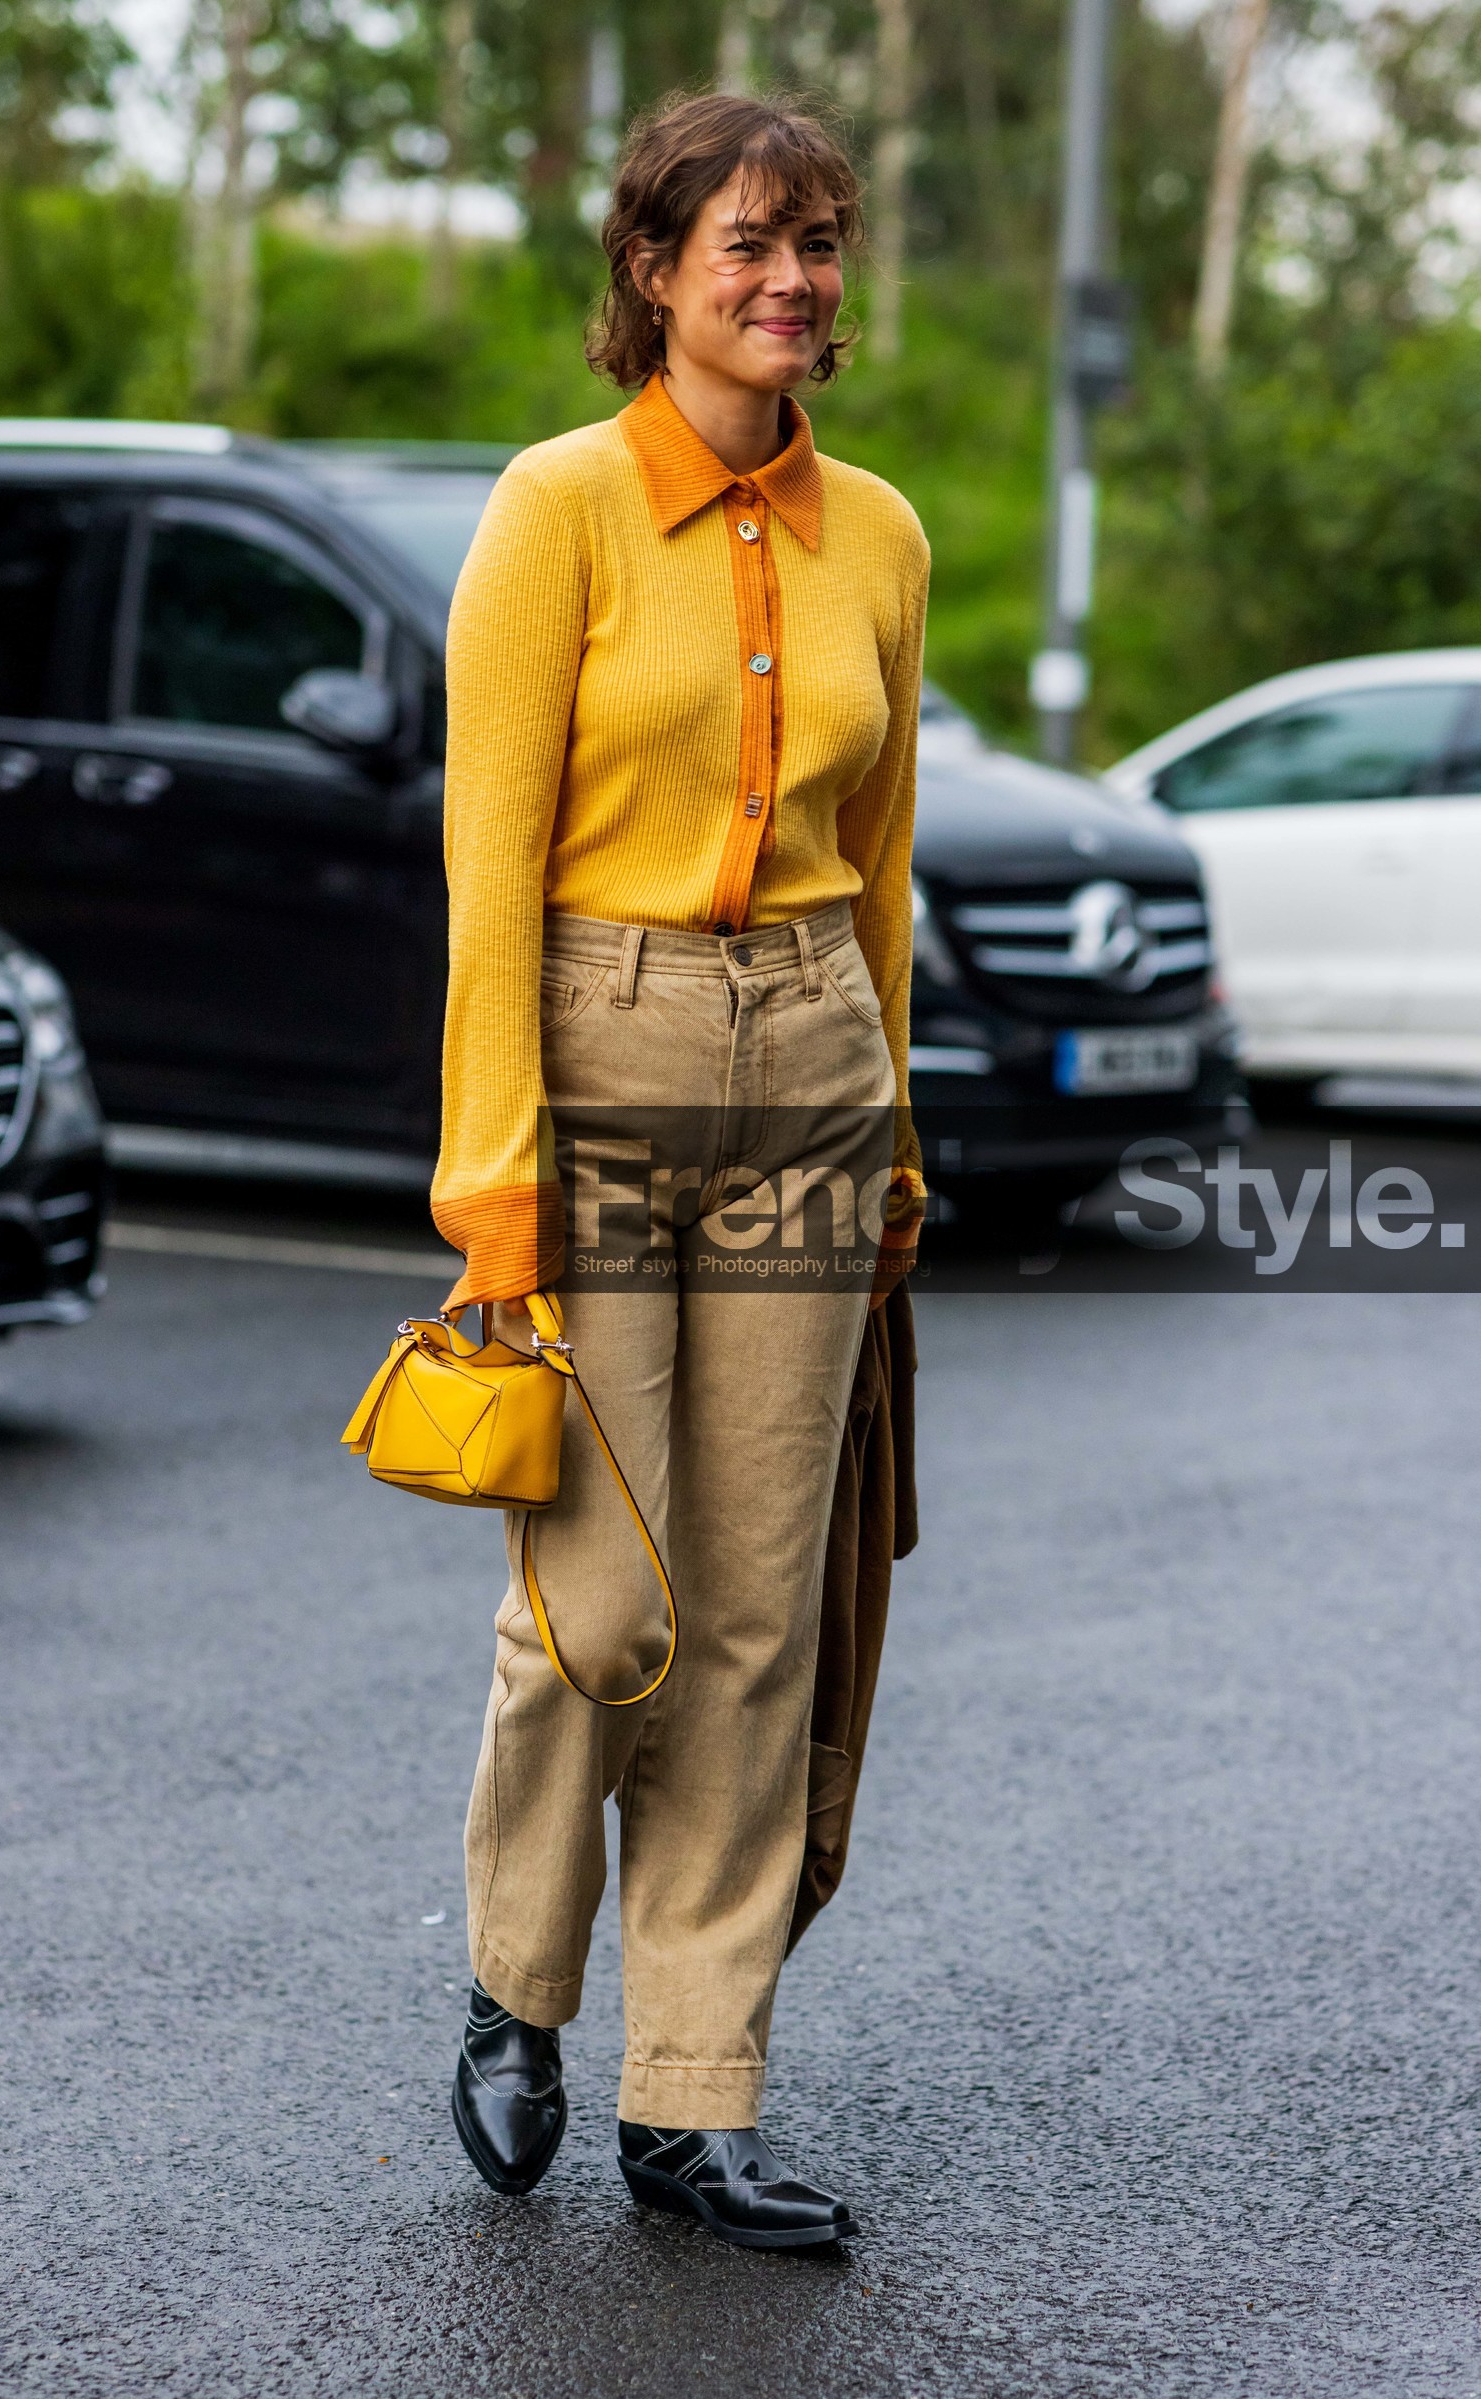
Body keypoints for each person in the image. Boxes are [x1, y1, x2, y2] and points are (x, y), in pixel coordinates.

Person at [431, 88, 929, 2250]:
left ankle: (689, 2091)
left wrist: (893, 1130)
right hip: (596, 1032)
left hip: (812, 1050)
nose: (787, 280)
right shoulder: (549, 513)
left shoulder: (882, 538)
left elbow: (884, 865)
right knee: (604, 1602)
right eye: (743, 242)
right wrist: (494, 1183)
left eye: (813, 243)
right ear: (648, 272)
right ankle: (516, 1987)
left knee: (755, 1614)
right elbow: (480, 881)